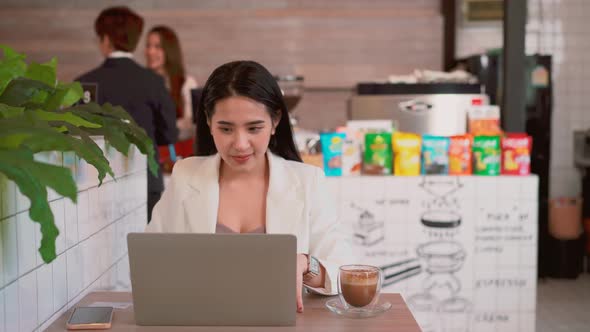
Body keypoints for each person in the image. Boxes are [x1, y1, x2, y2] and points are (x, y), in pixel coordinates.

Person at [147, 60, 350, 313]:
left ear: (275, 121)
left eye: (254, 128)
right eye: (226, 129)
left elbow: (344, 272)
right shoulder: (186, 176)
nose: (240, 144)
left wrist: (306, 264)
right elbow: (150, 262)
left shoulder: (308, 181)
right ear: (208, 122)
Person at [76, 6, 178, 222]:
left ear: (105, 40)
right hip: (147, 180)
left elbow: (75, 134)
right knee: (145, 249)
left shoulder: (84, 84)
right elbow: (169, 135)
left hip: (97, 184)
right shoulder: (153, 82)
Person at [144, 25, 198, 168]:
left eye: (157, 47)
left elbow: (191, 124)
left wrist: (161, 127)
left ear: (169, 50)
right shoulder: (140, 83)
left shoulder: (186, 83)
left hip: (178, 159)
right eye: (148, 46)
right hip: (147, 158)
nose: (150, 51)